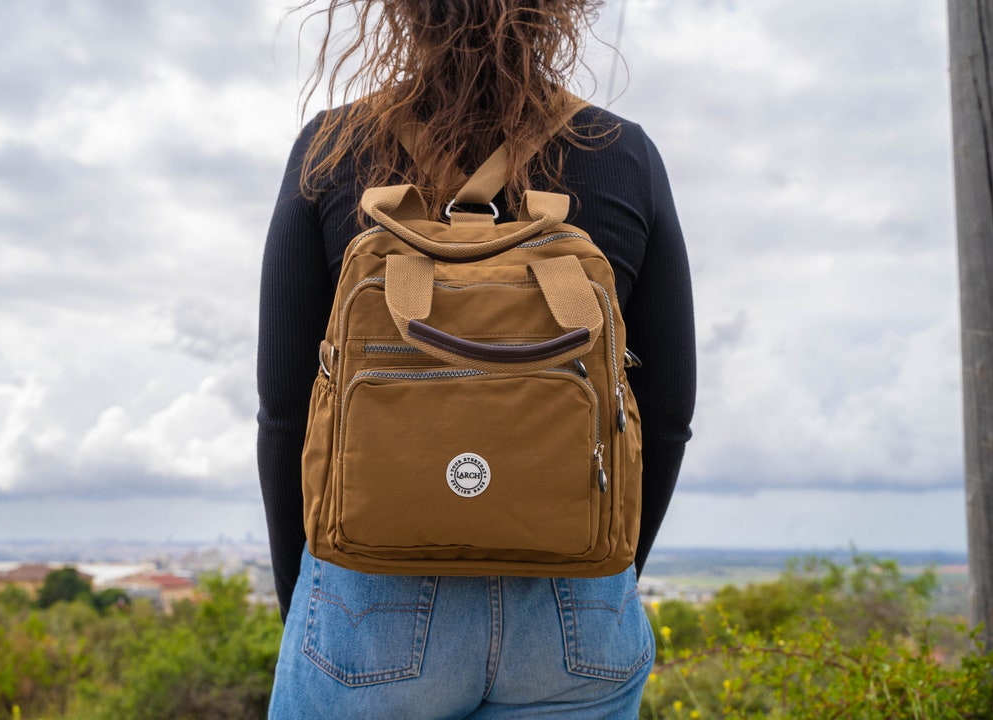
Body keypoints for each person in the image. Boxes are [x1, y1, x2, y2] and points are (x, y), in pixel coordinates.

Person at [257, 1, 696, 717]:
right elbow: (669, 414)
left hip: (370, 593)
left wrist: (311, 595)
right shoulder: (624, 153)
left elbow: (284, 410)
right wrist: (603, 572)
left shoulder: (332, 146)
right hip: (575, 603)